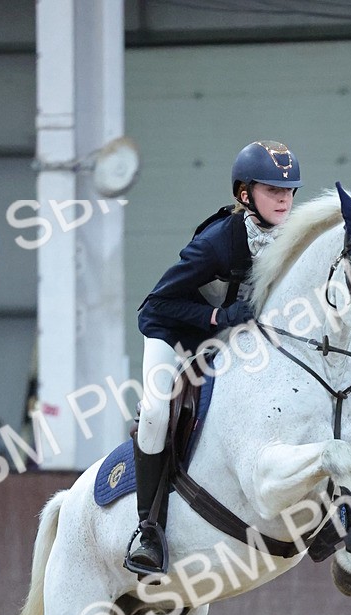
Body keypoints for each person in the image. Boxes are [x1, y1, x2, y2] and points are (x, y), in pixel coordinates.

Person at [126, 140, 302, 575]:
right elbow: (155, 305)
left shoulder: (291, 236)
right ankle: (147, 530)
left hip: (232, 336)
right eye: (271, 189)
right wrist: (216, 314)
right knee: (153, 413)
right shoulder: (217, 243)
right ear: (245, 194)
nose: (284, 198)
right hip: (175, 333)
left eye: (289, 190)